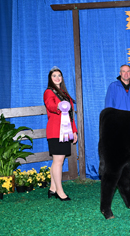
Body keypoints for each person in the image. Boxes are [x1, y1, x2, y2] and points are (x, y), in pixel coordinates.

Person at [43, 66, 78, 201]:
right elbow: (50, 105)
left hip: (66, 131)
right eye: (54, 76)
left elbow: (70, 115)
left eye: (59, 75)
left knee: (58, 160)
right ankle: (60, 191)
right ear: (50, 79)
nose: (57, 78)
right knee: (58, 161)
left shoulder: (64, 94)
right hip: (55, 131)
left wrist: (74, 131)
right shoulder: (49, 92)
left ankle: (52, 188)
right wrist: (58, 106)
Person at [105, 64, 130, 184]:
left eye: (128, 71)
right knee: (118, 152)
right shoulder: (113, 86)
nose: (126, 74)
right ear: (120, 73)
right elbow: (109, 106)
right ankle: (118, 175)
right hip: (118, 125)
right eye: (123, 71)